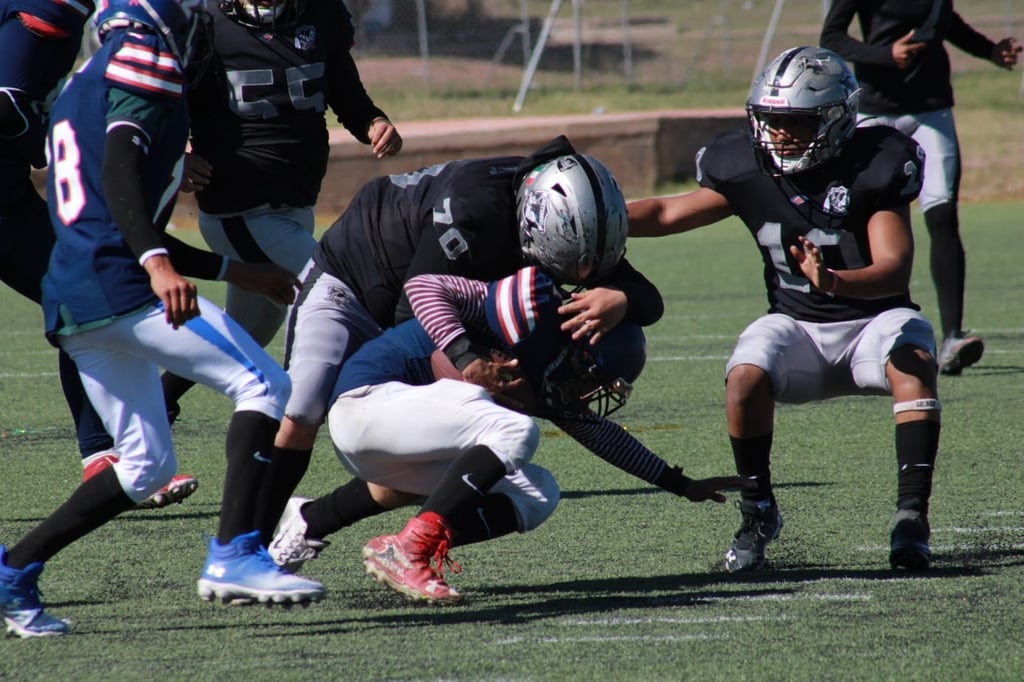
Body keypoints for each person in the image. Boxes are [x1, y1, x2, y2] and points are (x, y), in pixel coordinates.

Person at [0, 0, 323, 638]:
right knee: (265, 385)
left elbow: (118, 213)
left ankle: (14, 570)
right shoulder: (143, 58)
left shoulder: (77, 88)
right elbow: (122, 169)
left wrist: (233, 273)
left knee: (143, 465)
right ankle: (235, 554)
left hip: (76, 299)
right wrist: (154, 263)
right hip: (119, 289)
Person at [251, 137, 666, 547]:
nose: (574, 280)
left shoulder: (563, 222)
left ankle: (310, 522)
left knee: (441, 456)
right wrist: (475, 364)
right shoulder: (474, 213)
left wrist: (623, 296)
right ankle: (249, 542)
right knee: (302, 410)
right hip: (351, 283)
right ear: (534, 225)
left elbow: (647, 300)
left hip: (426, 295)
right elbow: (415, 313)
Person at [627, 47, 942, 573]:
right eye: (772, 122)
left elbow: (894, 268)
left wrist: (834, 279)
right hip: (798, 327)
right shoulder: (747, 165)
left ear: (837, 119)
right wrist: (598, 214)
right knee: (744, 374)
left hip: (874, 322)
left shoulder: (875, 161)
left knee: (913, 358)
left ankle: (912, 516)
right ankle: (757, 511)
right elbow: (664, 210)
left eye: (795, 123)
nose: (780, 136)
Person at [269, 266, 749, 602]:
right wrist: (466, 356)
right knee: (513, 429)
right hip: (365, 404)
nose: (590, 392)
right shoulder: (526, 318)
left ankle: (312, 520)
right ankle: (409, 548)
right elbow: (427, 285)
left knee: (537, 492)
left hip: (396, 436)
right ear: (581, 349)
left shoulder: (551, 378)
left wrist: (681, 484)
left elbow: (603, 436)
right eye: (594, 379)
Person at [157, 0, 403, 425]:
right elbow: (162, 99)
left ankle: (162, 395)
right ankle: (298, 409)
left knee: (251, 327)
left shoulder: (319, 14)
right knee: (331, 285)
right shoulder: (203, 24)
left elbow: (342, 88)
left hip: (295, 200)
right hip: (239, 206)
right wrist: (173, 155)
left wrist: (373, 122)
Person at [0, 0, 197, 508]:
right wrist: (41, 139)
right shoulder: (44, 14)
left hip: (10, 202)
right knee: (93, 299)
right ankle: (114, 454)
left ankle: (107, 455)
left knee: (88, 303)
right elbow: (10, 107)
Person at [820, 2, 1021, 376]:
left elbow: (946, 23)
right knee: (856, 218)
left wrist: (989, 51)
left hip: (932, 110)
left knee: (942, 216)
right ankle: (854, 330)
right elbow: (831, 37)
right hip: (876, 112)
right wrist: (885, 54)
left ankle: (952, 339)